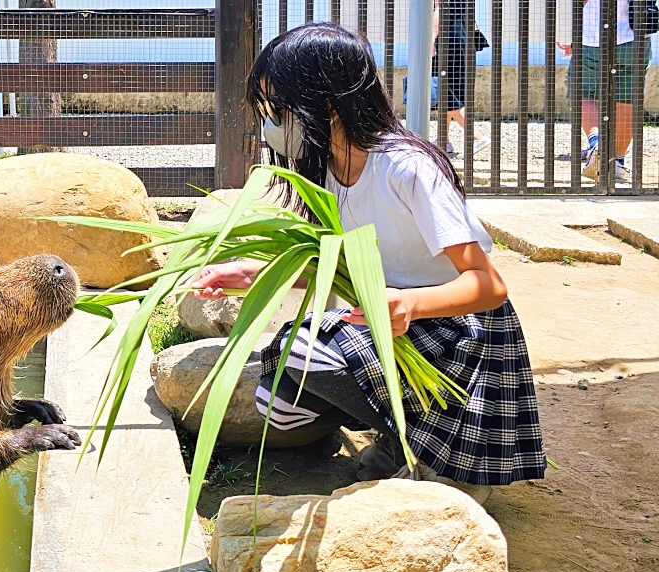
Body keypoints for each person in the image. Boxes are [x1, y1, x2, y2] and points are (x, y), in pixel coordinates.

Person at [192, 22, 545, 503]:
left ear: (327, 103)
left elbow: (488, 286)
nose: (272, 123)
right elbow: (334, 267)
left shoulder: (406, 167)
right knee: (279, 390)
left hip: (457, 331)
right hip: (386, 321)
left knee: (306, 348)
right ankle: (405, 440)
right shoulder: (327, 170)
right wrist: (249, 275)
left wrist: (409, 304)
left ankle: (450, 459)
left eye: (280, 108)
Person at [557, 0, 651, 182]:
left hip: (592, 37)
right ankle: (616, 161)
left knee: (583, 93)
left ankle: (597, 145)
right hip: (634, 36)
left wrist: (571, 35)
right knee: (627, 99)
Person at [433, 0, 491, 157]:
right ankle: (443, 141)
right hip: (462, 42)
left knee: (446, 94)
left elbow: (440, 8)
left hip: (447, 44)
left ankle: (477, 137)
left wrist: (431, 38)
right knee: (446, 93)